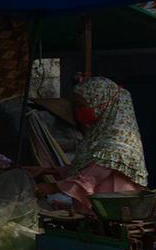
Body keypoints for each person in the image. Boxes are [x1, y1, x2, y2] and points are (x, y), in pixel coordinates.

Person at [51, 76, 148, 214]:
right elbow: (82, 168)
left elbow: (91, 175)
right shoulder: (97, 135)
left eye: (81, 105)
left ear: (102, 103)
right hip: (99, 214)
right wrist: (48, 171)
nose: (77, 111)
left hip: (113, 213)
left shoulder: (118, 141)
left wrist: (54, 187)